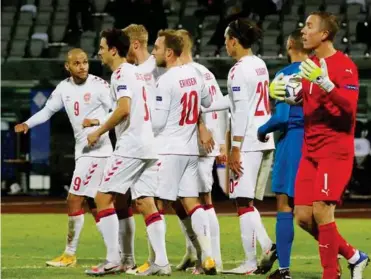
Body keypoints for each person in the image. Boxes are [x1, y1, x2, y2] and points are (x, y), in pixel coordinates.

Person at [270, 11, 370, 279]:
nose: (303, 30)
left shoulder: (344, 65)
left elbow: (349, 108)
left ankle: (330, 274)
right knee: (303, 216)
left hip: (334, 151)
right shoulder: (309, 64)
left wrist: (324, 82)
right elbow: (308, 99)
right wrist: (286, 96)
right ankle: (353, 255)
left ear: (324, 34)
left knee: (322, 211)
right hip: (310, 151)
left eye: (309, 26)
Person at [14, 48, 113, 267]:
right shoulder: (64, 88)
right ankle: (116, 253)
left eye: (85, 62)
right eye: (77, 63)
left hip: (98, 151)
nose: (83, 66)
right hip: (83, 152)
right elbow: (48, 110)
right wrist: (27, 124)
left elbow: (118, 111)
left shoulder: (99, 85)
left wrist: (97, 123)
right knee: (96, 204)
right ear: (68, 67)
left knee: (73, 200)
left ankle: (69, 254)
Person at [85, 29, 169, 276]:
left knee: (102, 198)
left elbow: (123, 109)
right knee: (145, 202)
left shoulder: (121, 73)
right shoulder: (137, 72)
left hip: (132, 145)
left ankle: (113, 259)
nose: (99, 52)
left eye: (102, 47)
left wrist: (98, 132)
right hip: (149, 144)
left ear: (113, 49)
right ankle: (160, 262)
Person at [208, 18, 277, 275]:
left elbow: (242, 112)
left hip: (247, 142)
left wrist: (235, 147)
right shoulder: (259, 64)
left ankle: (250, 261)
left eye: (226, 40)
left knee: (241, 201)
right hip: (263, 139)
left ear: (234, 41)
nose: (225, 45)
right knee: (245, 201)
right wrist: (206, 106)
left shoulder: (237, 70)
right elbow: (238, 101)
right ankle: (268, 246)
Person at [151, 29, 217, 275]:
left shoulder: (165, 80)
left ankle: (159, 262)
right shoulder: (195, 74)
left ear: (169, 52)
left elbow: (157, 123)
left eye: (157, 48)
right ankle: (207, 257)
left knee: (155, 203)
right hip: (190, 150)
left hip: (168, 149)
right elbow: (208, 103)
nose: (154, 52)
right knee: (192, 202)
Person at [172, 29, 227, 274]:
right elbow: (221, 106)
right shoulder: (205, 72)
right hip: (200, 142)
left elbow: (203, 108)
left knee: (202, 201)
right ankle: (194, 252)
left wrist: (209, 133)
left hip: (197, 143)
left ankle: (211, 257)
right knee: (185, 199)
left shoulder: (189, 73)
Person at [257, 29, 309, 279]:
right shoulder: (318, 70)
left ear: (290, 45)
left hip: (293, 142)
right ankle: (338, 261)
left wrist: (261, 130)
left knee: (285, 205)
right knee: (316, 210)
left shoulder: (286, 74)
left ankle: (285, 270)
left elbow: (281, 117)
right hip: (316, 142)